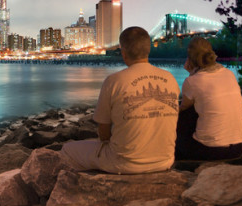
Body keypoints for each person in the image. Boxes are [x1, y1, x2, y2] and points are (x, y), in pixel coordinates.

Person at [61, 26, 180, 174]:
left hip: (124, 164)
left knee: (67, 150)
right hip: (165, 161)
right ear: (148, 50)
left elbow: (103, 131)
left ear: (123, 53)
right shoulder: (170, 79)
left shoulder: (114, 81)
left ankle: (83, 185)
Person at [175, 37, 242, 160]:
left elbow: (183, 107)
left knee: (185, 115)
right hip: (238, 147)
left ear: (190, 59)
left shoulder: (192, 81)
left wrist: (191, 74)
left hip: (210, 150)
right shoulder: (229, 74)